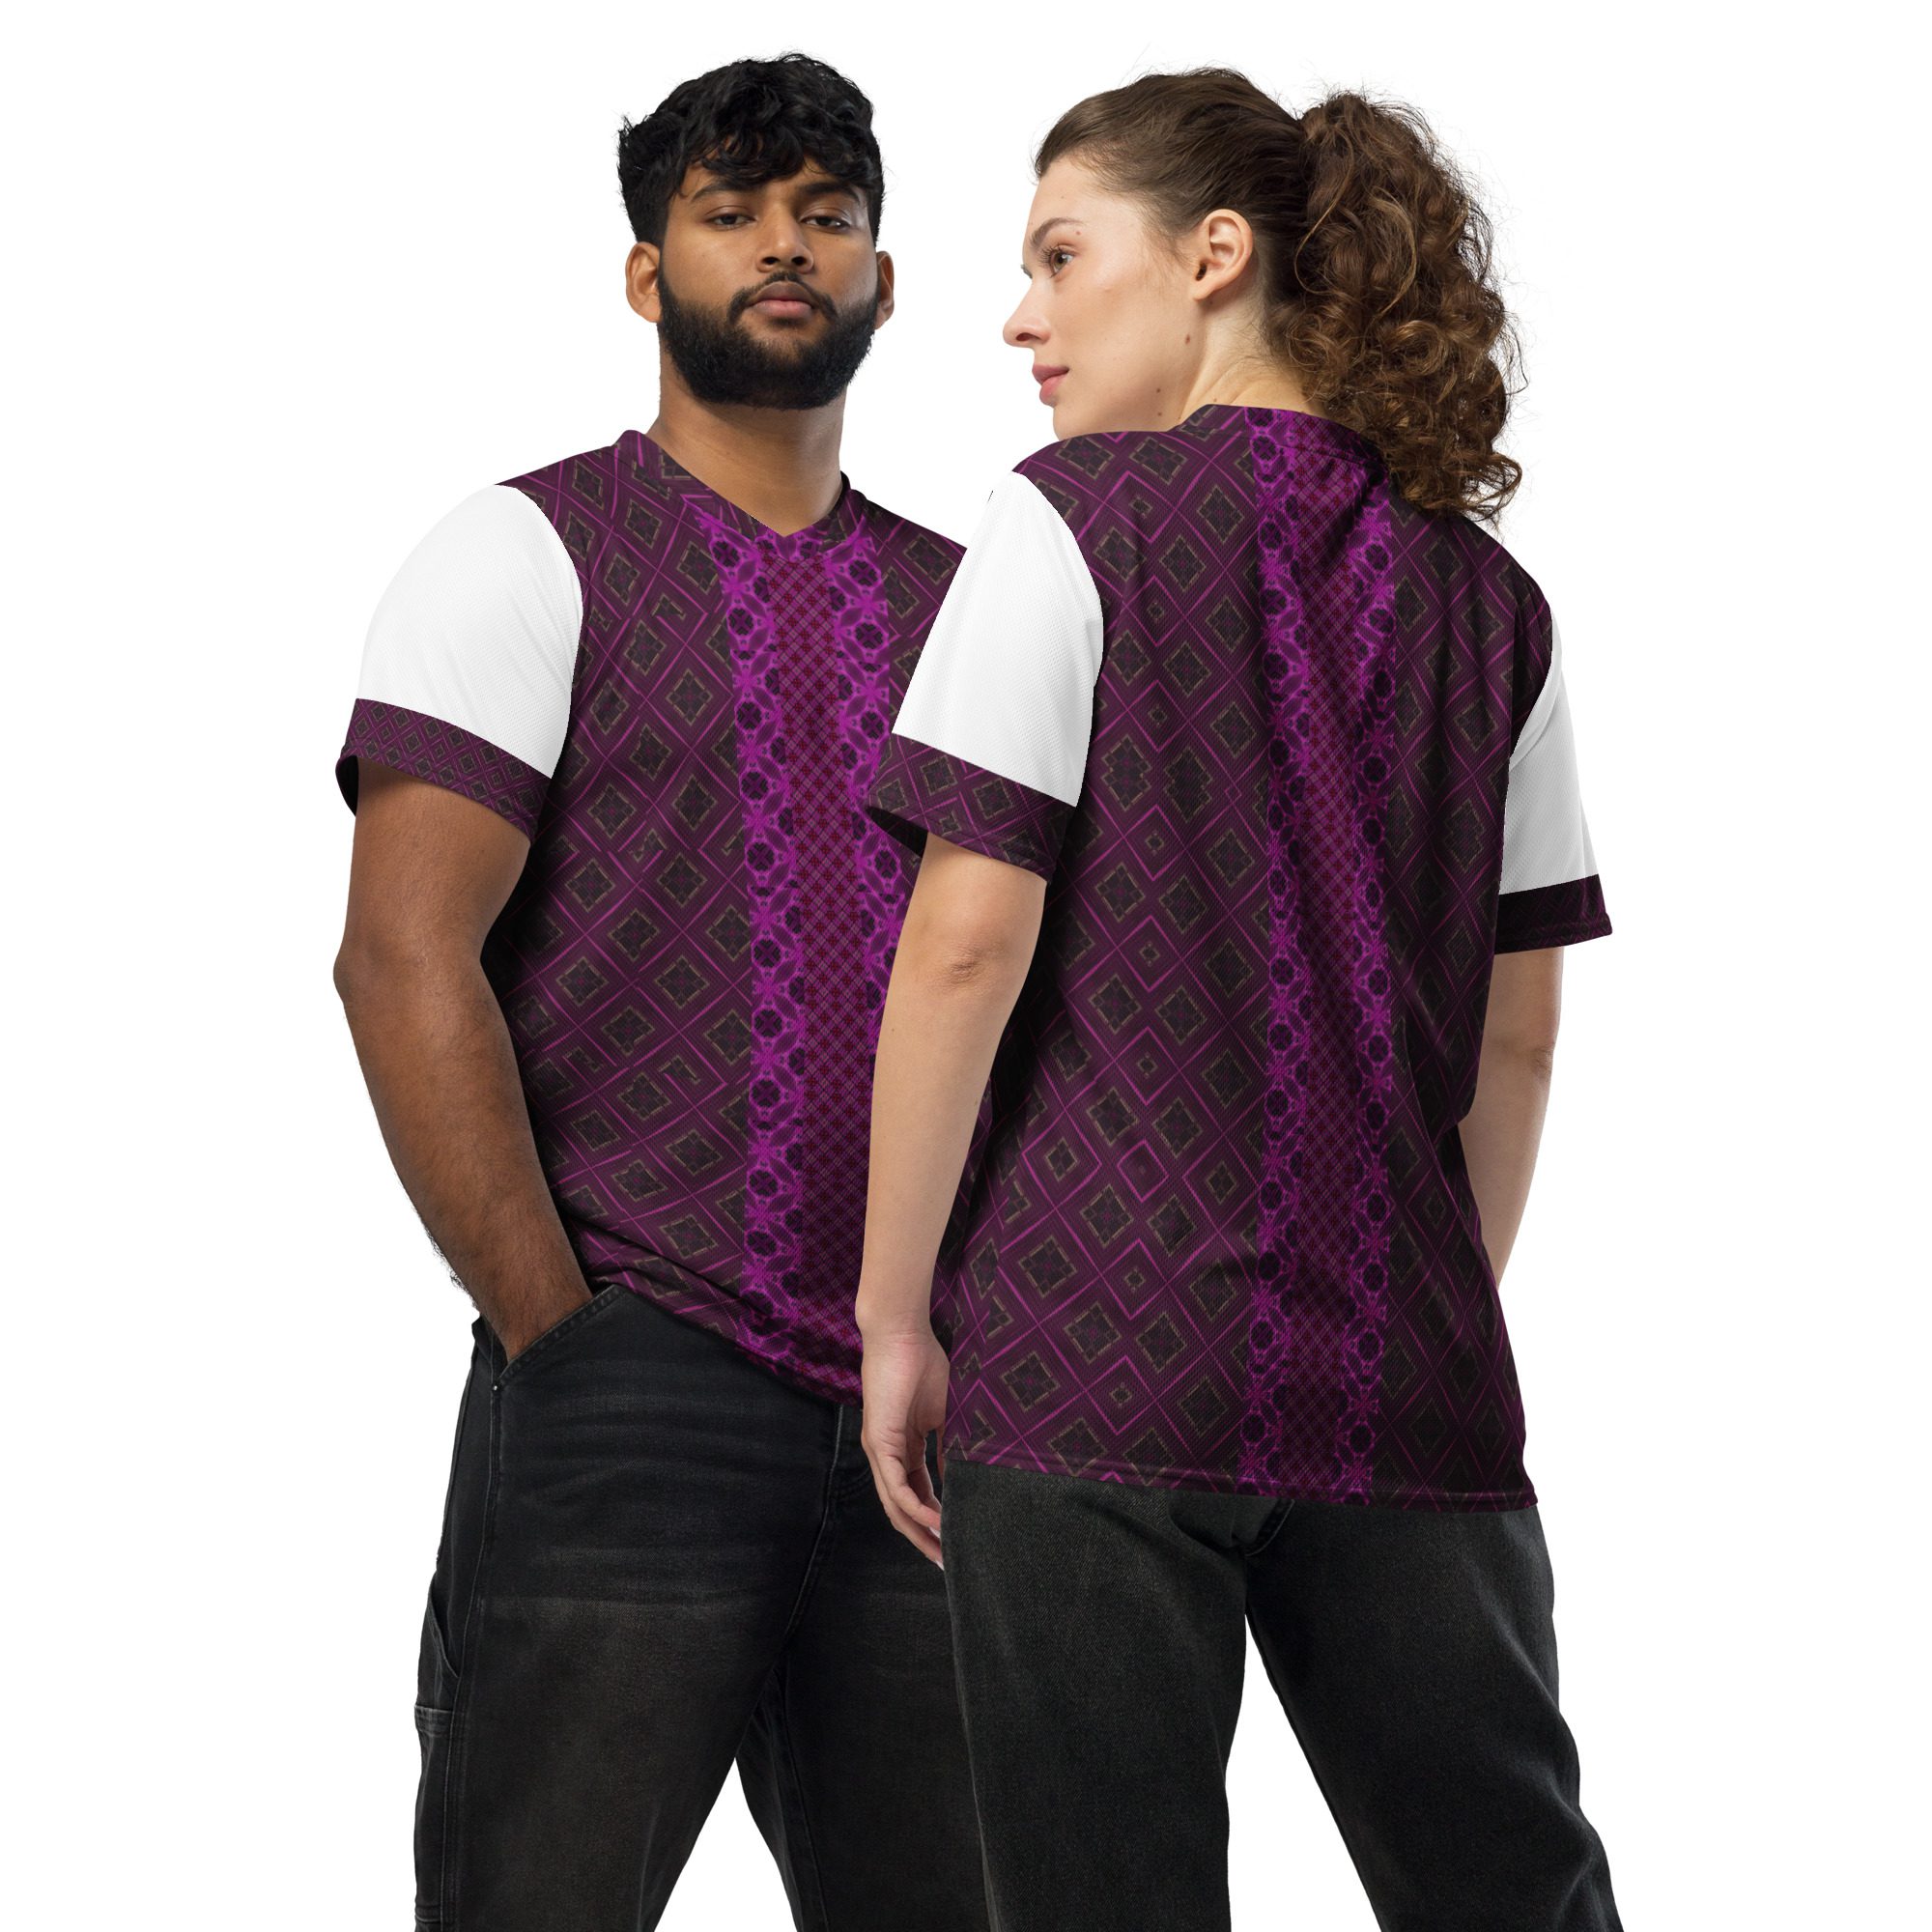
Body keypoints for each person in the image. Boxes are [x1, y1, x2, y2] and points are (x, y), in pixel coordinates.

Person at [855, 69, 1624, 1932]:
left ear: (1213, 256)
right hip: (1407, 1380)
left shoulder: (1067, 521)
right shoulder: (1497, 605)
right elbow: (1518, 1032)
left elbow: (964, 944)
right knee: (1513, 1895)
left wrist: (892, 1315)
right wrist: (1416, 1298)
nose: (1021, 316)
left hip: (1094, 1358)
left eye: (1060, 255)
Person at [329, 54, 988, 1932]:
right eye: (732, 213)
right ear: (648, 274)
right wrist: (562, 1337)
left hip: (931, 1410)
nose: (786, 246)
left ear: (882, 279)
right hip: (635, 1367)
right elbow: (401, 955)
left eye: (827, 215)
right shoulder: (524, 551)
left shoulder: (977, 606)